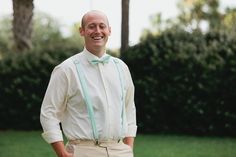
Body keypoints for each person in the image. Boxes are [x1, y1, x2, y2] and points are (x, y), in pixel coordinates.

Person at [40, 10, 137, 157]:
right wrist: (62, 154)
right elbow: (49, 113)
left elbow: (129, 110)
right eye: (92, 26)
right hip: (83, 151)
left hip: (121, 151)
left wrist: (128, 148)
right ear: (82, 31)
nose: (97, 31)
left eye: (102, 26)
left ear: (109, 30)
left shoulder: (121, 68)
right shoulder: (66, 69)